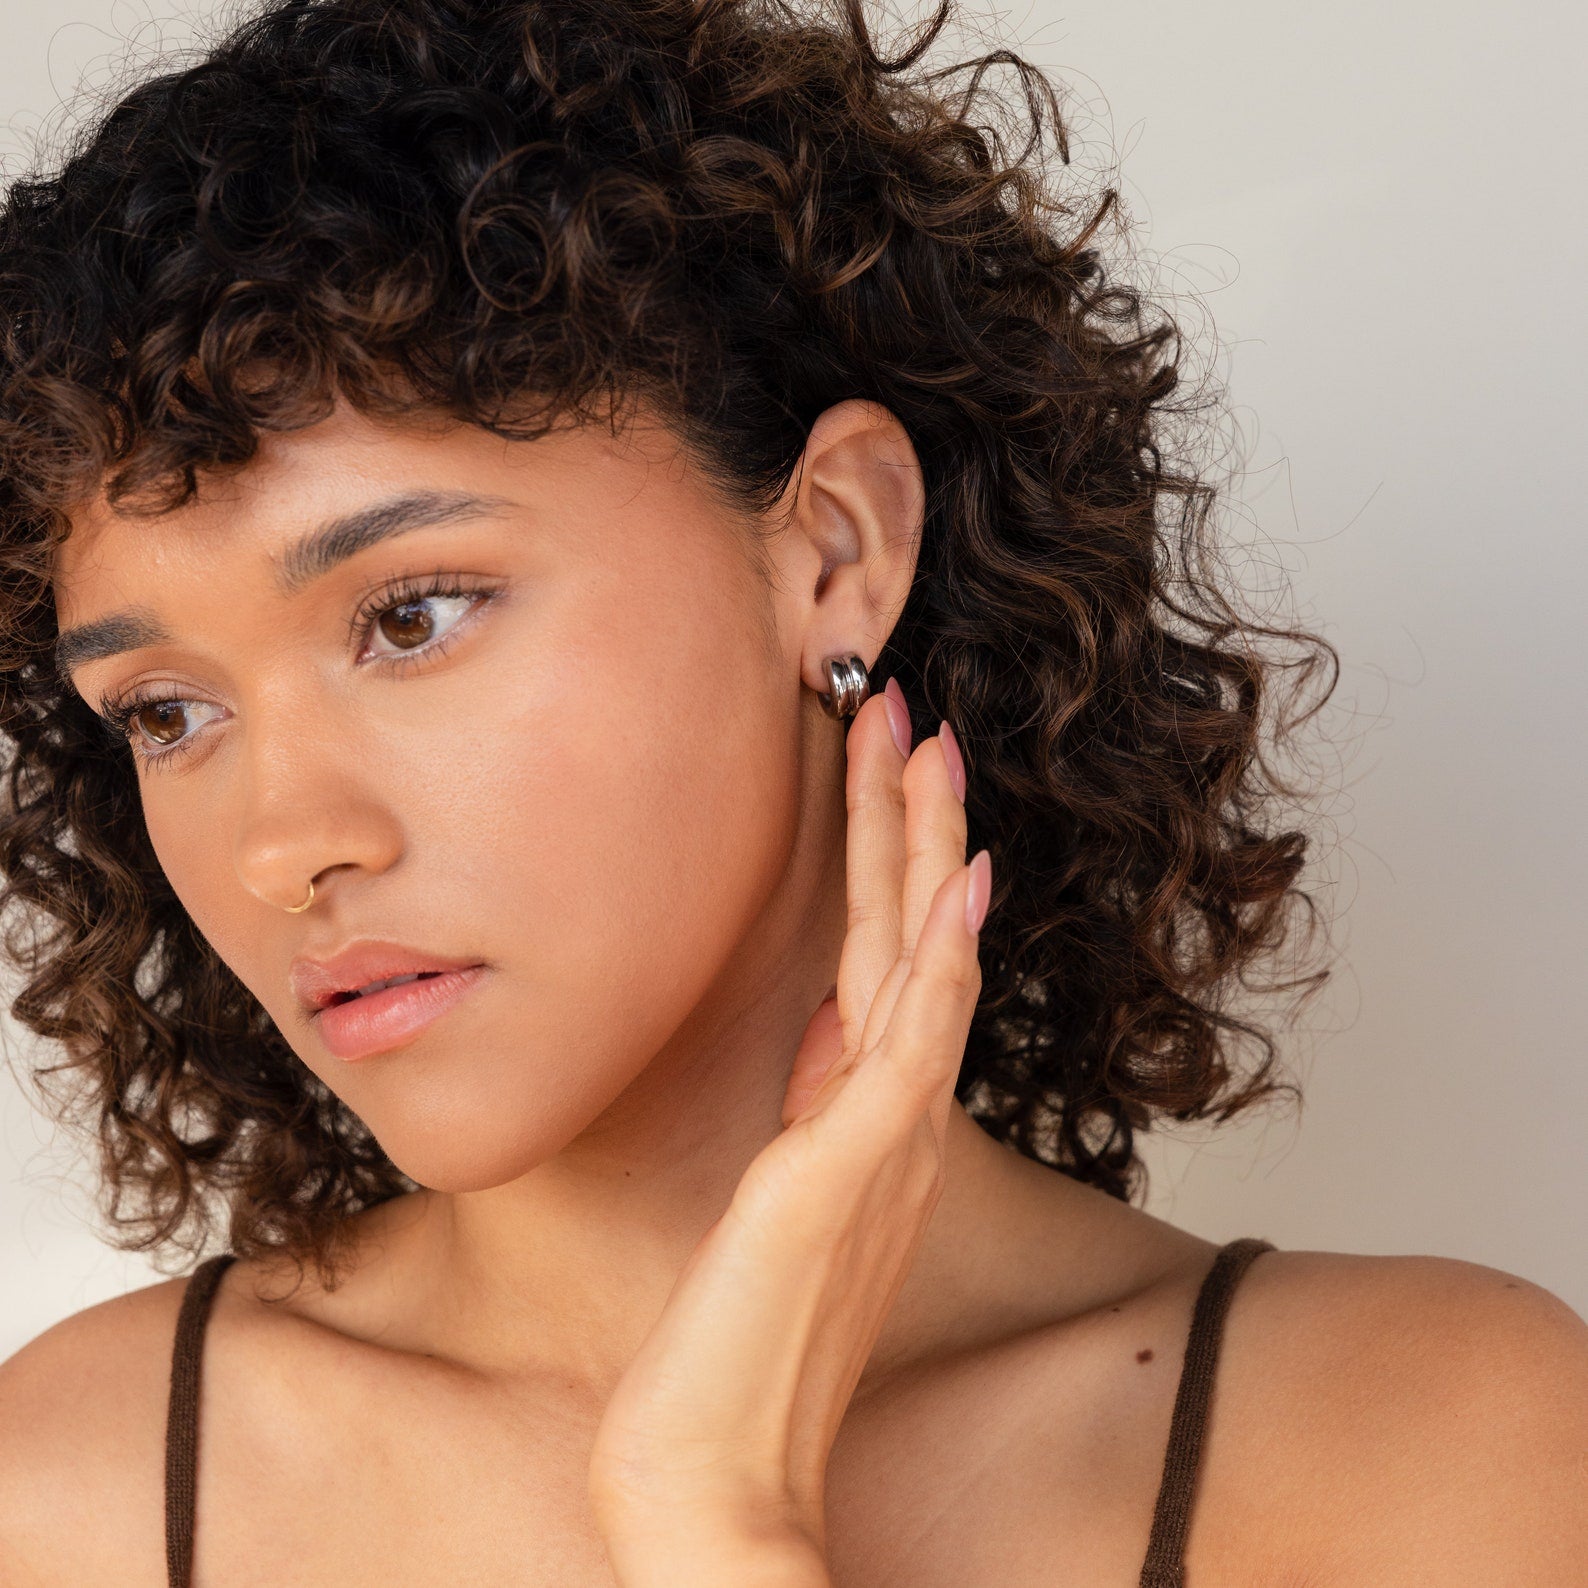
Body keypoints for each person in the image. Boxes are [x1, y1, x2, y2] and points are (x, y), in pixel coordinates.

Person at [0, 0, 1583, 1582]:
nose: (282, 846)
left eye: (410, 617)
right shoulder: (75, 1493)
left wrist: (715, 1514)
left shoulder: (1420, 1448)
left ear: (834, 546)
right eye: (165, 711)